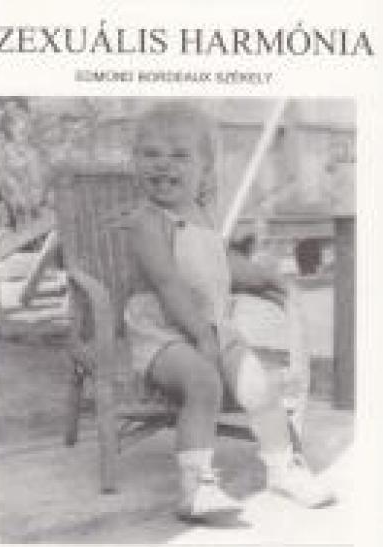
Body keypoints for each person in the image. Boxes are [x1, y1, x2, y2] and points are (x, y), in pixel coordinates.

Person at [124, 101, 334, 521]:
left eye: (179, 155)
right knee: (203, 381)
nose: (163, 164)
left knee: (260, 387)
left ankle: (282, 468)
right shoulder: (146, 222)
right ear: (135, 163)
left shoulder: (201, 215)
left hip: (215, 328)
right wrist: (202, 336)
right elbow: (168, 284)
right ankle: (195, 487)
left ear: (204, 170)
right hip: (163, 333)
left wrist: (266, 278)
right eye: (151, 154)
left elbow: (222, 263)